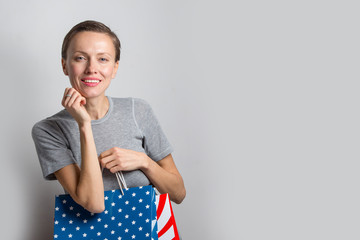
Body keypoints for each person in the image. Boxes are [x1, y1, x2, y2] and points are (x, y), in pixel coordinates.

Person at [32, 20, 186, 213]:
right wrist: (84, 124)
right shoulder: (48, 130)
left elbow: (178, 194)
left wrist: (144, 162)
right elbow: (93, 204)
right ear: (65, 65)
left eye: (103, 59)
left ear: (115, 68)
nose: (91, 68)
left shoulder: (138, 110)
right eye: (80, 58)